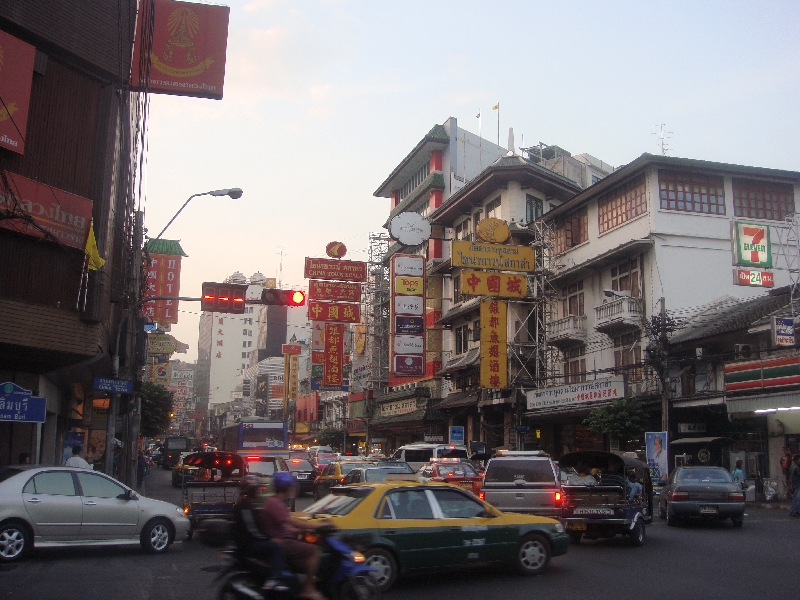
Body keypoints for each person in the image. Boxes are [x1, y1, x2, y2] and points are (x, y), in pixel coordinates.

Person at [257, 471, 330, 600]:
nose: (294, 489)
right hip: (282, 542)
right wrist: (316, 526)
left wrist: (305, 531)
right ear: (286, 487)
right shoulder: (274, 503)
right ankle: (308, 589)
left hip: (285, 538)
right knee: (314, 551)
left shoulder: (278, 503)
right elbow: (291, 521)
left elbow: (286, 526)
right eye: (292, 486)